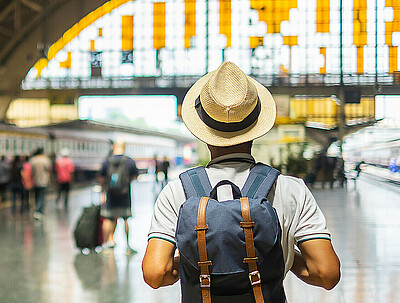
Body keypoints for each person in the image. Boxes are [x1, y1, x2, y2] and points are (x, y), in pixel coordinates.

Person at [142, 62, 340, 296]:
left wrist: (194, 259)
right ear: (256, 124)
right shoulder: (290, 189)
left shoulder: (178, 192)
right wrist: (278, 254)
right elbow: (326, 273)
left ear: (203, 128)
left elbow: (155, 273)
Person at [98, 140, 139, 254]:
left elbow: (101, 178)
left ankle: (105, 244)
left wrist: (104, 191)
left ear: (114, 147)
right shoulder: (129, 161)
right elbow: (135, 176)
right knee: (126, 219)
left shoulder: (107, 161)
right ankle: (128, 246)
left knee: (108, 219)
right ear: (124, 147)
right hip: (125, 195)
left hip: (110, 195)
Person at [30, 148, 52, 221]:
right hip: (43, 181)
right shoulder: (45, 160)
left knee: (36, 195)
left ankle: (37, 209)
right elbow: (49, 170)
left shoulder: (33, 160)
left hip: (35, 181)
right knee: (41, 196)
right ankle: (39, 211)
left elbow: (30, 171)